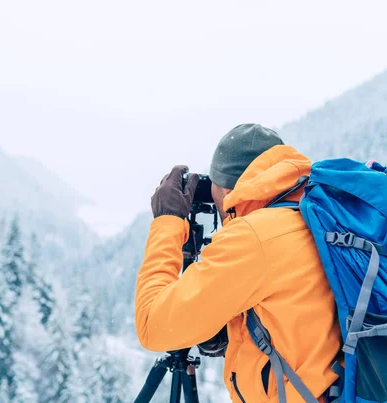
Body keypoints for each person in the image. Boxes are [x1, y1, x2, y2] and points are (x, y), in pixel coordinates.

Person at [135, 123, 341, 402]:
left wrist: (167, 221)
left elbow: (153, 325)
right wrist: (234, 328)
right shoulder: (315, 216)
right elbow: (298, 312)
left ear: (225, 188)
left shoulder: (254, 238)